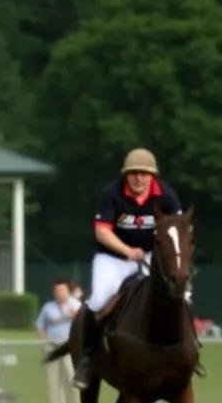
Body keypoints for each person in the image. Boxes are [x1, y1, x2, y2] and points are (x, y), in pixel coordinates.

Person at [73, 148, 184, 389]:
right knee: (98, 300)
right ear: (126, 175)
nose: (139, 178)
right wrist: (126, 250)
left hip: (153, 255)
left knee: (180, 293)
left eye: (144, 173)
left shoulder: (166, 195)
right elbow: (101, 231)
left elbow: (177, 228)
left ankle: (186, 352)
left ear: (152, 176)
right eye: (133, 173)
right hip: (113, 257)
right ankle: (88, 359)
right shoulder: (112, 193)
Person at [36, 278, 81, 403]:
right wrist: (44, 341)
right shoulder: (48, 307)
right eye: (57, 291)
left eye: (62, 290)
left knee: (72, 381)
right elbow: (40, 325)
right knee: (54, 383)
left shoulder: (76, 306)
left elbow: (86, 323)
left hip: (70, 347)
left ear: (68, 291)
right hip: (52, 347)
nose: (59, 293)